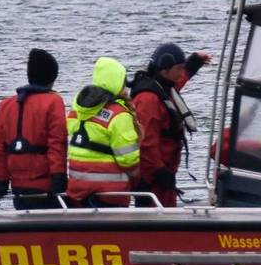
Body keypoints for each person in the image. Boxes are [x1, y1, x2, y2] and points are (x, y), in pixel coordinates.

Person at [0, 48, 68, 210]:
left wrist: (1, 185)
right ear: (51, 77)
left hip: (18, 189)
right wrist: (58, 180)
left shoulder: (5, 106)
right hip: (47, 188)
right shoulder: (53, 102)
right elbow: (56, 145)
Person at [129, 42, 209, 207]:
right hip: (153, 176)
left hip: (165, 172)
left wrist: (194, 63)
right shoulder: (148, 99)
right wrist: (159, 171)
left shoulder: (163, 87)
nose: (181, 74)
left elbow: (178, 81)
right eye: (179, 69)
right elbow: (146, 142)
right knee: (154, 218)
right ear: (165, 69)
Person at [65, 57, 141, 207]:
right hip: (110, 194)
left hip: (77, 192)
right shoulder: (119, 115)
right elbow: (129, 159)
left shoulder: (76, 110)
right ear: (116, 83)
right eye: (123, 83)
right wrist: (138, 180)